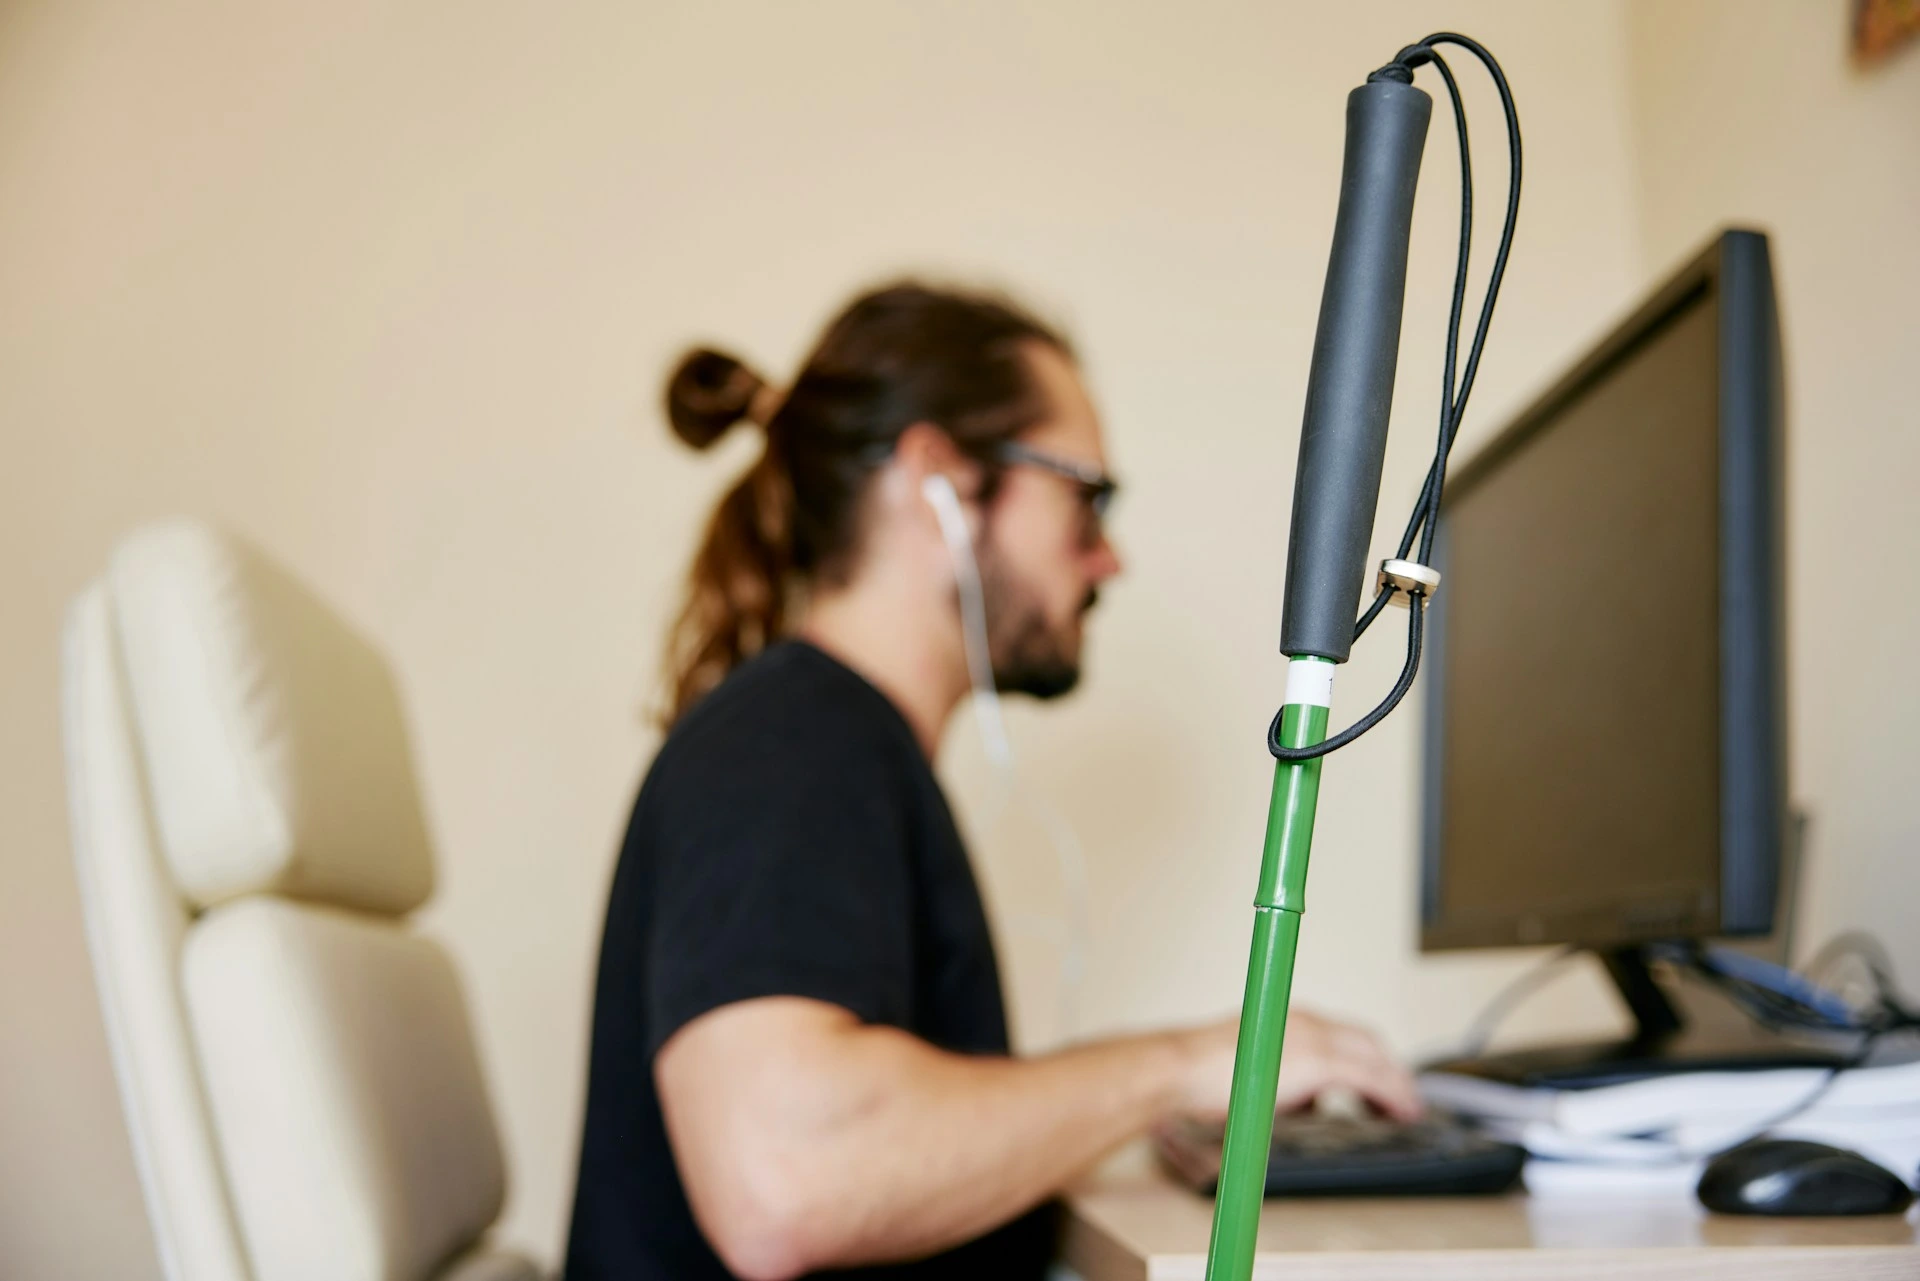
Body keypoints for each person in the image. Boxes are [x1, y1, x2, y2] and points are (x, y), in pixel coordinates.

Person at [564, 282, 1421, 1281]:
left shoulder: (837, 746)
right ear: (938, 481)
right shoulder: (792, 741)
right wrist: (1191, 1065)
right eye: (1087, 496)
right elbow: (786, 1182)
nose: (1111, 556)